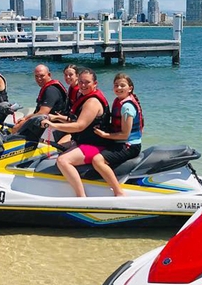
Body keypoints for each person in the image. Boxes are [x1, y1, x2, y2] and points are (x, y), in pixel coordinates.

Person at [41, 68, 110, 197]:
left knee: (62, 161)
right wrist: (56, 117)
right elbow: (75, 119)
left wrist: (53, 125)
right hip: (84, 142)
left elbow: (79, 126)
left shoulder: (92, 102)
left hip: (95, 146)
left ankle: (81, 196)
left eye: (87, 82)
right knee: (55, 148)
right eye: (81, 82)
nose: (83, 85)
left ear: (95, 84)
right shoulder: (85, 97)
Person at [91, 73, 144, 196]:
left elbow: (125, 135)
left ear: (130, 88)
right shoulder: (119, 101)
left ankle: (118, 191)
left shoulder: (126, 107)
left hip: (129, 145)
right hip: (121, 142)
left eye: (122, 85)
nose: (119, 88)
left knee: (97, 160)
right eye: (116, 85)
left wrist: (105, 135)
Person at [13, 64, 66, 131]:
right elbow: (39, 111)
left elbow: (42, 113)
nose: (39, 79)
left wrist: (22, 124)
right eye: (36, 76)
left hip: (53, 126)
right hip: (44, 122)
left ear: (49, 75)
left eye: (42, 76)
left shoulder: (51, 90)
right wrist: (25, 118)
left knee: (16, 129)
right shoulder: (47, 88)